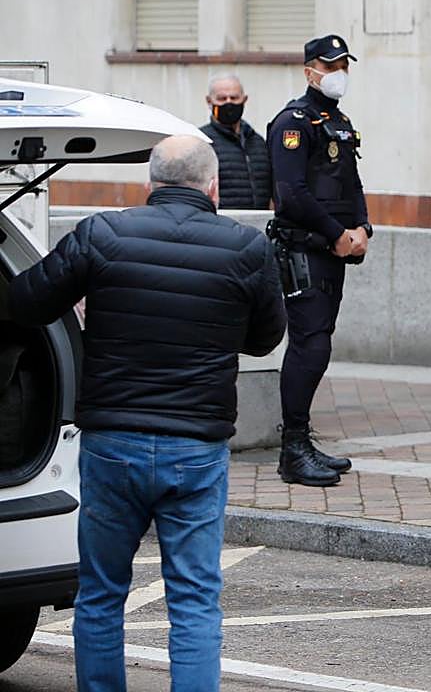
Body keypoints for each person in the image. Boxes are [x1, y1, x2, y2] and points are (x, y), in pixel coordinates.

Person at [8, 135, 286, 692]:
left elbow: (24, 303)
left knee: (102, 593)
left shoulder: (103, 234)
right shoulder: (247, 248)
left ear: (149, 184)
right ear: (214, 186)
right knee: (194, 600)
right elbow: (266, 338)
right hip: (196, 451)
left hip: (114, 445)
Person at [268, 34, 371, 487]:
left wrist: (365, 228)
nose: (337, 74)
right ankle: (293, 449)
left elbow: (353, 183)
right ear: (309, 70)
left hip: (334, 251)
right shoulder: (293, 122)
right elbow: (291, 194)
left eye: (343, 65)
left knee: (319, 342)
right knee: (311, 345)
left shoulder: (339, 121)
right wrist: (337, 233)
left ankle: (302, 442)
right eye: (329, 67)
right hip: (305, 249)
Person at [199, 74, 272, 209]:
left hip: (258, 223)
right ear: (209, 101)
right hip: (220, 225)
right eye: (222, 98)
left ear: (244, 100)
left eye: (234, 98)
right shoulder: (201, 142)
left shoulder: (257, 141)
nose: (229, 103)